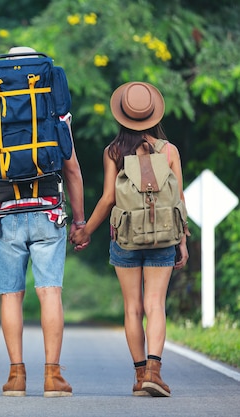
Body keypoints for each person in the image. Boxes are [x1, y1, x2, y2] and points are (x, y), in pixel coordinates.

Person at [0, 46, 86, 397]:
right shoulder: (53, 114)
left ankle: (16, 377)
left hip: (5, 214)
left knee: (10, 296)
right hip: (48, 211)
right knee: (49, 293)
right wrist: (79, 220)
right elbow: (72, 168)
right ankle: (53, 377)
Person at [71, 81, 189, 397]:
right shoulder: (170, 151)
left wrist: (85, 230)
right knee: (155, 305)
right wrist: (183, 240)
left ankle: (140, 378)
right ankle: (155, 372)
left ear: (121, 116)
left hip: (124, 238)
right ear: (154, 115)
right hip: (164, 237)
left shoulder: (113, 152)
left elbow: (109, 198)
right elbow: (178, 198)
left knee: (132, 307)